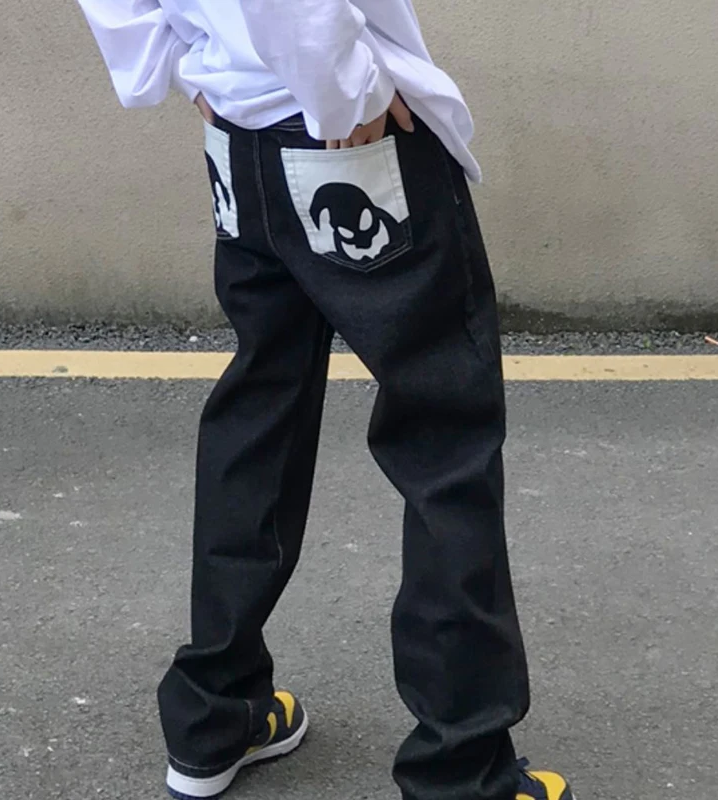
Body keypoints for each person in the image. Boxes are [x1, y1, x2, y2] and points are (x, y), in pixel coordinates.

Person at [77, 2, 574, 799]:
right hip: (340, 127)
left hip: (237, 133)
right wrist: (347, 89)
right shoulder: (338, 94)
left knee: (259, 412)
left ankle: (215, 714)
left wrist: (174, 65)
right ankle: (462, 772)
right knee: (445, 439)